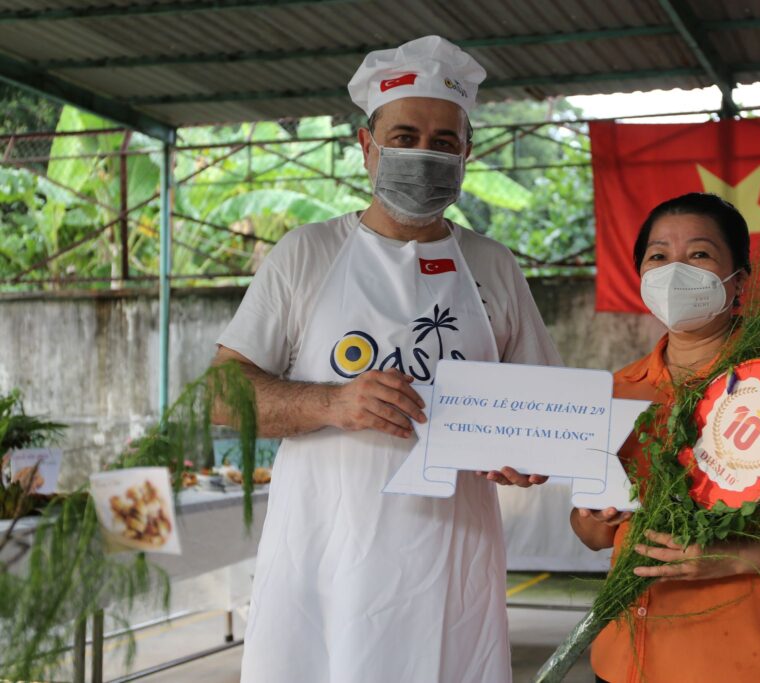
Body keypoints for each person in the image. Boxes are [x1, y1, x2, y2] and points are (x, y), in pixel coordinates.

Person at [212, 35, 561, 683]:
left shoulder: (493, 266)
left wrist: (528, 451)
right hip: (324, 560)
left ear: (467, 153)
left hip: (451, 570)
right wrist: (331, 403)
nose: (424, 154)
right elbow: (220, 395)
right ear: (366, 145)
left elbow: (542, 410)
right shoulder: (307, 252)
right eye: (404, 136)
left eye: (444, 141)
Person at [569, 193, 760, 683]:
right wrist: (595, 516)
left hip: (746, 660)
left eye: (700, 254)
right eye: (658, 256)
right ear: (641, 275)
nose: (675, 271)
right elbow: (591, 535)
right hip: (623, 660)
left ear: (740, 280)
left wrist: (733, 560)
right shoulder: (618, 390)